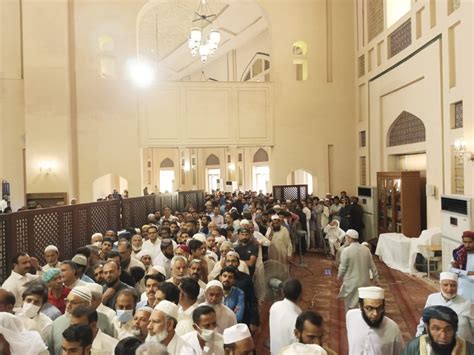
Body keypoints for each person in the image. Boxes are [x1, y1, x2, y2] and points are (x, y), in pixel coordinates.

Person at [416, 272, 473, 342]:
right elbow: (423, 321)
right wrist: (418, 339)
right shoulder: (432, 298)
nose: (449, 289)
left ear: (457, 286)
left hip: (463, 345)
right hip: (439, 343)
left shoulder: (467, 303)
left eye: (453, 285)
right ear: (440, 285)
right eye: (445, 285)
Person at [346, 286, 403, 355]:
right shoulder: (351, 316)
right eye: (369, 308)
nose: (375, 314)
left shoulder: (393, 329)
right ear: (360, 306)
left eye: (379, 308)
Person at [403, 305, 474, 354]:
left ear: (455, 329)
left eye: (448, 330)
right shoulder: (414, 348)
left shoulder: (469, 350)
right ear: (427, 328)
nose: (443, 336)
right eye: (436, 329)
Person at [337, 229, 379, 311]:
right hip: (365, 282)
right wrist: (375, 278)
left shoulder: (346, 251)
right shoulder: (366, 250)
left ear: (349, 238)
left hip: (351, 282)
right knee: (362, 304)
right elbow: (372, 266)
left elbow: (343, 268)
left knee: (350, 306)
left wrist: (339, 277)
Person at [269, 278, 303, 355]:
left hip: (274, 351)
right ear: (300, 295)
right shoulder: (298, 318)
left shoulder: (274, 306)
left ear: (283, 293)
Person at [450, 230, 474, 302]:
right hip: (462, 287)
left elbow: (455, 270)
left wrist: (458, 272)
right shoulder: (458, 253)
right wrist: (467, 273)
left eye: (470, 242)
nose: (467, 245)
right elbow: (450, 269)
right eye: (465, 242)